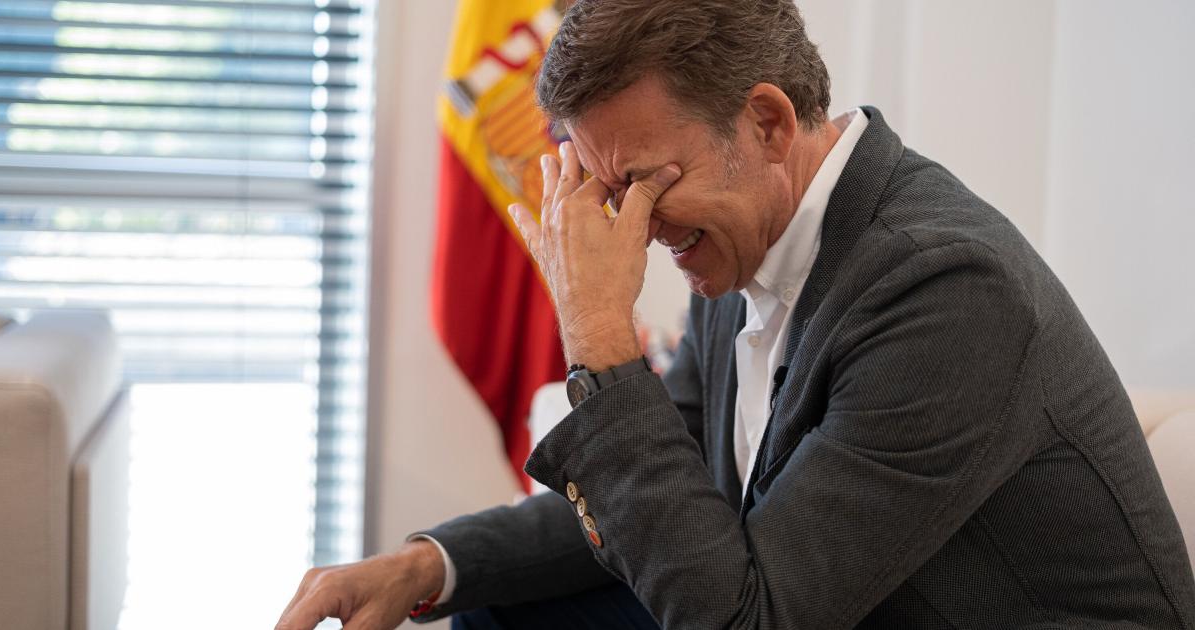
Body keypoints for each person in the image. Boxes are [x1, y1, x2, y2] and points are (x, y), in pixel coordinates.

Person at [276, 1, 1195, 629]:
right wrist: (429, 563)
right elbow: (664, 493)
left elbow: (747, 619)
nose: (626, 229)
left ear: (766, 123)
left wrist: (599, 339)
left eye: (640, 184)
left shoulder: (945, 289)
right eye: (605, 192)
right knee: (495, 608)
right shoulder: (746, 238)